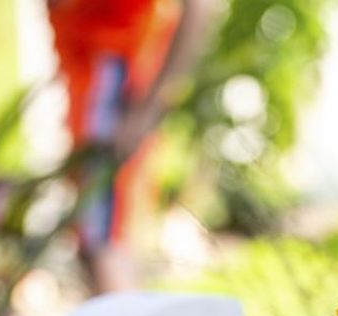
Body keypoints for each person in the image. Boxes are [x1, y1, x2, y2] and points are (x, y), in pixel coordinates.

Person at [48, 0, 216, 293]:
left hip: (112, 89)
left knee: (103, 242)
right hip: (87, 88)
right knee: (97, 241)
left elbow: (201, 6)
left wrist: (149, 110)